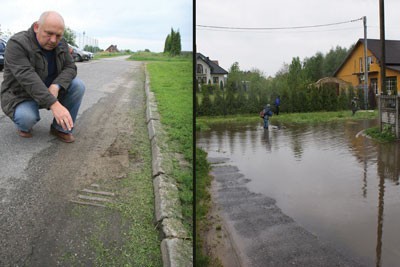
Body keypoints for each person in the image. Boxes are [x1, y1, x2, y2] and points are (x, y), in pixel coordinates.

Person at [1, 11, 85, 143]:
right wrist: (54, 104)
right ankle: (23, 123)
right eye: (49, 33)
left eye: (58, 35)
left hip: (49, 89)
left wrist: (56, 85)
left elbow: (70, 67)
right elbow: (26, 77)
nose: (53, 40)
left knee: (78, 85)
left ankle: (60, 129)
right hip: (21, 94)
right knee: (26, 118)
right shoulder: (17, 44)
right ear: (36, 27)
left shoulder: (61, 43)